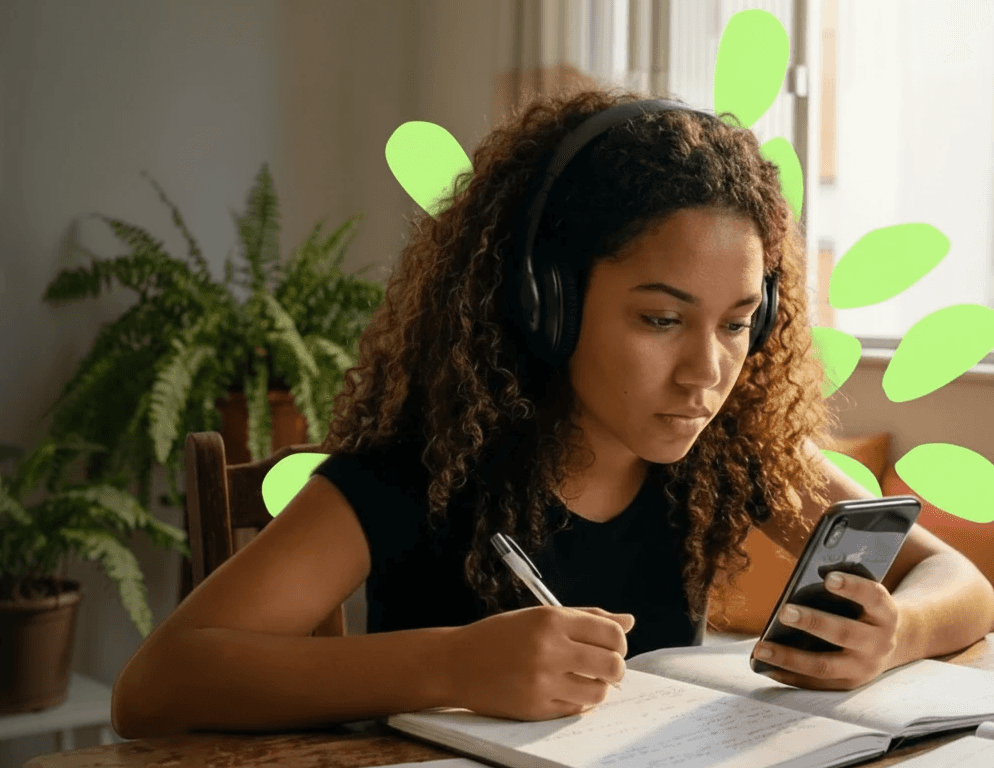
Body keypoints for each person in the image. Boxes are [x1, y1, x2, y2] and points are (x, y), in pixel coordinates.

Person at [110, 85, 994, 737]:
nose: (706, 373)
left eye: (736, 324)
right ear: (546, 303)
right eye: (660, 319)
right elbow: (156, 683)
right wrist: (450, 662)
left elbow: (963, 586)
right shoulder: (420, 470)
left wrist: (898, 631)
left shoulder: (729, 453)